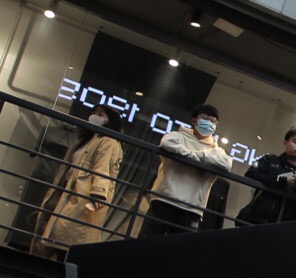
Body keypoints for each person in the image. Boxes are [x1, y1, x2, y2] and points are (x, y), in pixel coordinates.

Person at [33, 102, 122, 255]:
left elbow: (103, 167)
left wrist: (99, 193)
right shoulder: (87, 141)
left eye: (101, 114)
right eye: (94, 112)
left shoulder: (109, 141)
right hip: (68, 192)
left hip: (83, 196)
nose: (94, 116)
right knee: (57, 238)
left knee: (66, 239)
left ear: (111, 121)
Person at [141, 103, 231, 236]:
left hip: (192, 209)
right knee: (147, 241)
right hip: (164, 200)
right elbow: (167, 143)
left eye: (213, 121)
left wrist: (200, 156)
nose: (210, 123)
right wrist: (193, 156)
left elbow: (227, 163)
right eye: (205, 118)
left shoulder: (217, 150)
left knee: (179, 248)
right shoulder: (178, 136)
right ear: (194, 120)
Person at [236, 128, 296, 225]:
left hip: (288, 229)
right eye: (295, 142)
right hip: (259, 222)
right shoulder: (269, 160)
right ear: (285, 143)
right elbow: (251, 174)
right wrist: (282, 181)